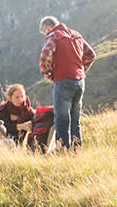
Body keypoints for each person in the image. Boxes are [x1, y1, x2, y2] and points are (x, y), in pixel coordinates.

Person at [38, 16, 96, 150]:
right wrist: (82, 70)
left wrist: (47, 73)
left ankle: (63, 151)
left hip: (63, 81)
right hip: (80, 81)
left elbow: (45, 55)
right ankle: (77, 150)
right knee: (75, 118)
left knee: (62, 119)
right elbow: (91, 55)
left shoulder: (53, 36)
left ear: (47, 28)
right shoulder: (76, 35)